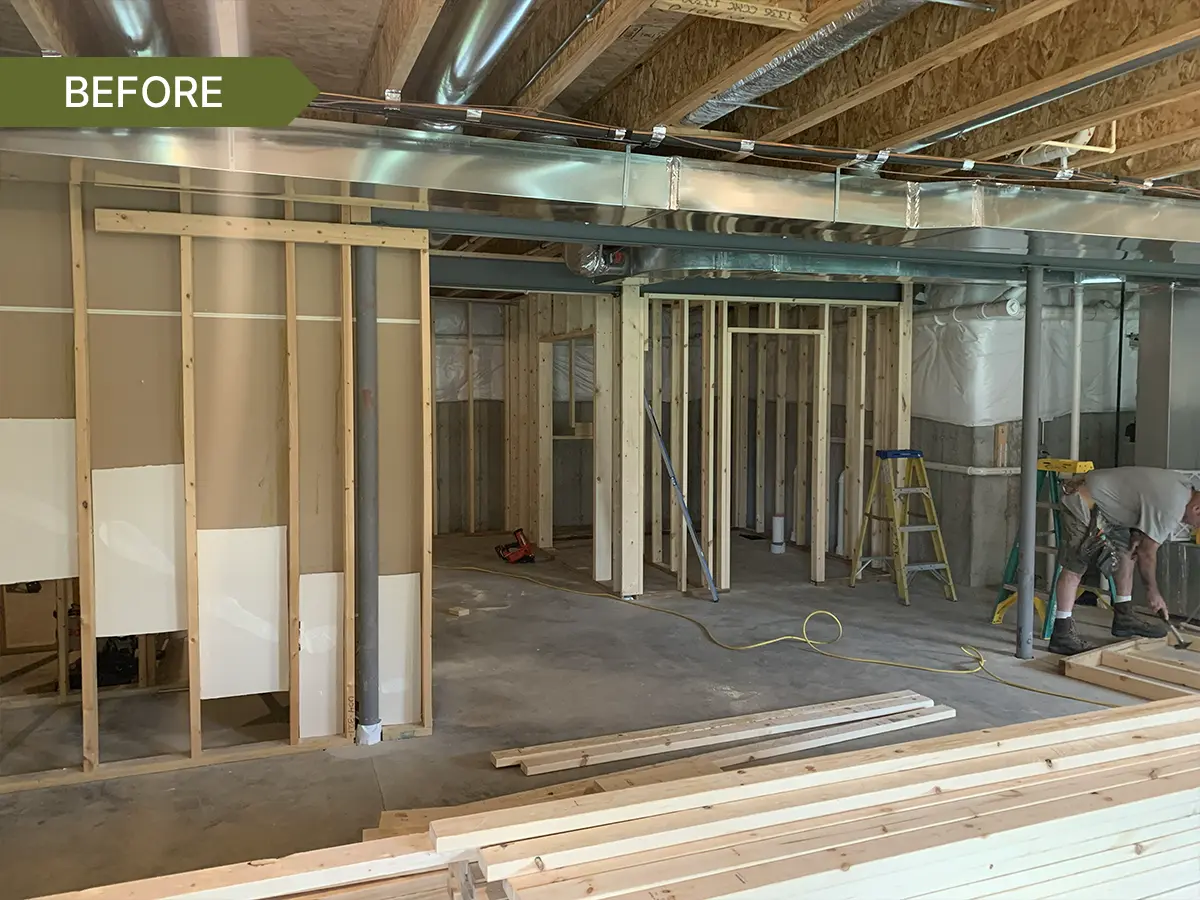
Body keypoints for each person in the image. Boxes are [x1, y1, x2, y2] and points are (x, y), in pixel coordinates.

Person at [1047, 467, 1200, 655]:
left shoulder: (1184, 488)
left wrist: (1138, 532)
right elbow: (1148, 553)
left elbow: (1142, 501)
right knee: (1076, 566)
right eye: (1197, 522)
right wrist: (1153, 593)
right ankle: (1061, 633)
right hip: (1084, 500)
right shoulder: (1174, 506)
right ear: (1197, 509)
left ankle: (1124, 616)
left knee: (1128, 550)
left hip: (1108, 506)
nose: (1192, 526)